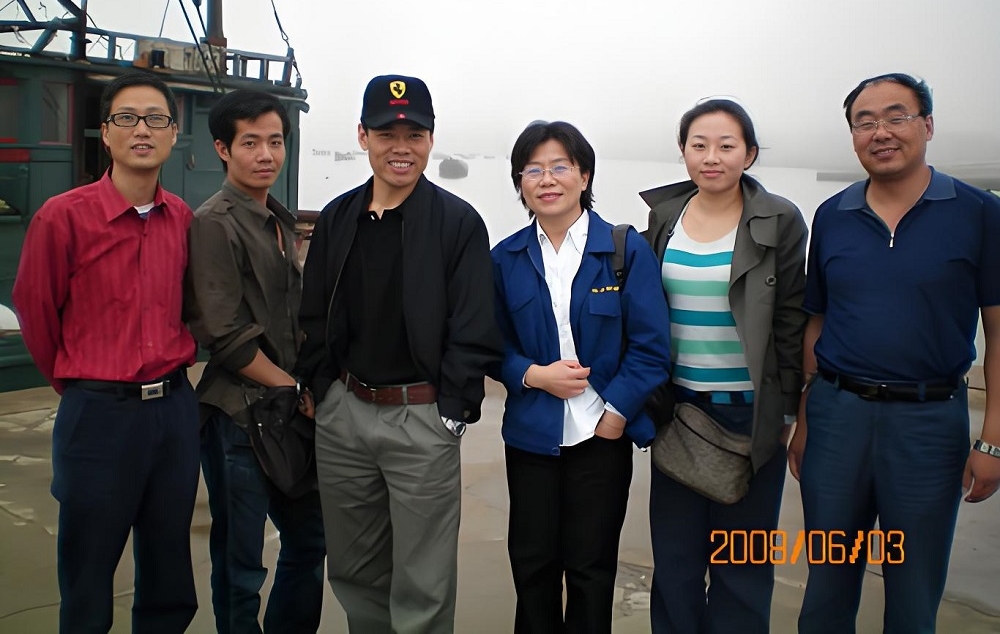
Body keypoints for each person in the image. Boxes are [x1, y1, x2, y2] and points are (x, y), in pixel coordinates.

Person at [788, 73, 1000, 633]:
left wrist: (993, 439)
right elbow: (818, 321)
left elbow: (998, 332)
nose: (880, 132)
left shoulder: (979, 212)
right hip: (837, 417)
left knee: (913, 592)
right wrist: (806, 421)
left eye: (896, 116)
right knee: (828, 585)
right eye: (865, 122)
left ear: (927, 125)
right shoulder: (832, 215)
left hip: (930, 423)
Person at [294, 74, 503, 633]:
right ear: (363, 136)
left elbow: (474, 326)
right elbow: (313, 312)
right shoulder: (339, 217)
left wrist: (452, 412)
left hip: (422, 417)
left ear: (431, 139)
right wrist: (322, 389)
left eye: (414, 135)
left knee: (423, 583)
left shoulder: (458, 223)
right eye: (387, 134)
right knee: (355, 570)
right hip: (344, 413)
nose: (401, 148)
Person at [12, 72, 200, 633]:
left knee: (169, 574)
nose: (142, 130)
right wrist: (81, 383)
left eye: (156, 119)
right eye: (127, 118)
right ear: (106, 131)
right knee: (88, 578)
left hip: (172, 413)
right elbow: (37, 313)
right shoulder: (62, 218)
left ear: (173, 134)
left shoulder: (183, 220)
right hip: (97, 417)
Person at [491, 120, 672, 633]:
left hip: (601, 437)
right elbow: (491, 347)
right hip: (532, 436)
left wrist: (616, 415)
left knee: (592, 571)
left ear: (584, 176)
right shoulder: (504, 258)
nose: (547, 180)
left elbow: (651, 347)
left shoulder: (623, 250)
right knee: (533, 568)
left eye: (560, 167)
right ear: (520, 182)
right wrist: (532, 375)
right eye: (533, 170)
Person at [641, 98, 808, 633]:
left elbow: (790, 320)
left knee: (742, 565)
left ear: (749, 154)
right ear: (684, 152)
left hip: (751, 415)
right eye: (699, 145)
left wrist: (788, 413)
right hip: (679, 413)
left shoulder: (780, 219)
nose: (711, 157)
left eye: (726, 145)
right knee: (676, 562)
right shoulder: (665, 217)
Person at [184, 89, 326, 634]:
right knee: (240, 564)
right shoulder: (214, 223)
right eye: (250, 143)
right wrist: (293, 387)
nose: (266, 154)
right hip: (238, 419)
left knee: (309, 541)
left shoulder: (278, 220)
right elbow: (224, 335)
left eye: (275, 141)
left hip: (288, 415)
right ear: (223, 149)